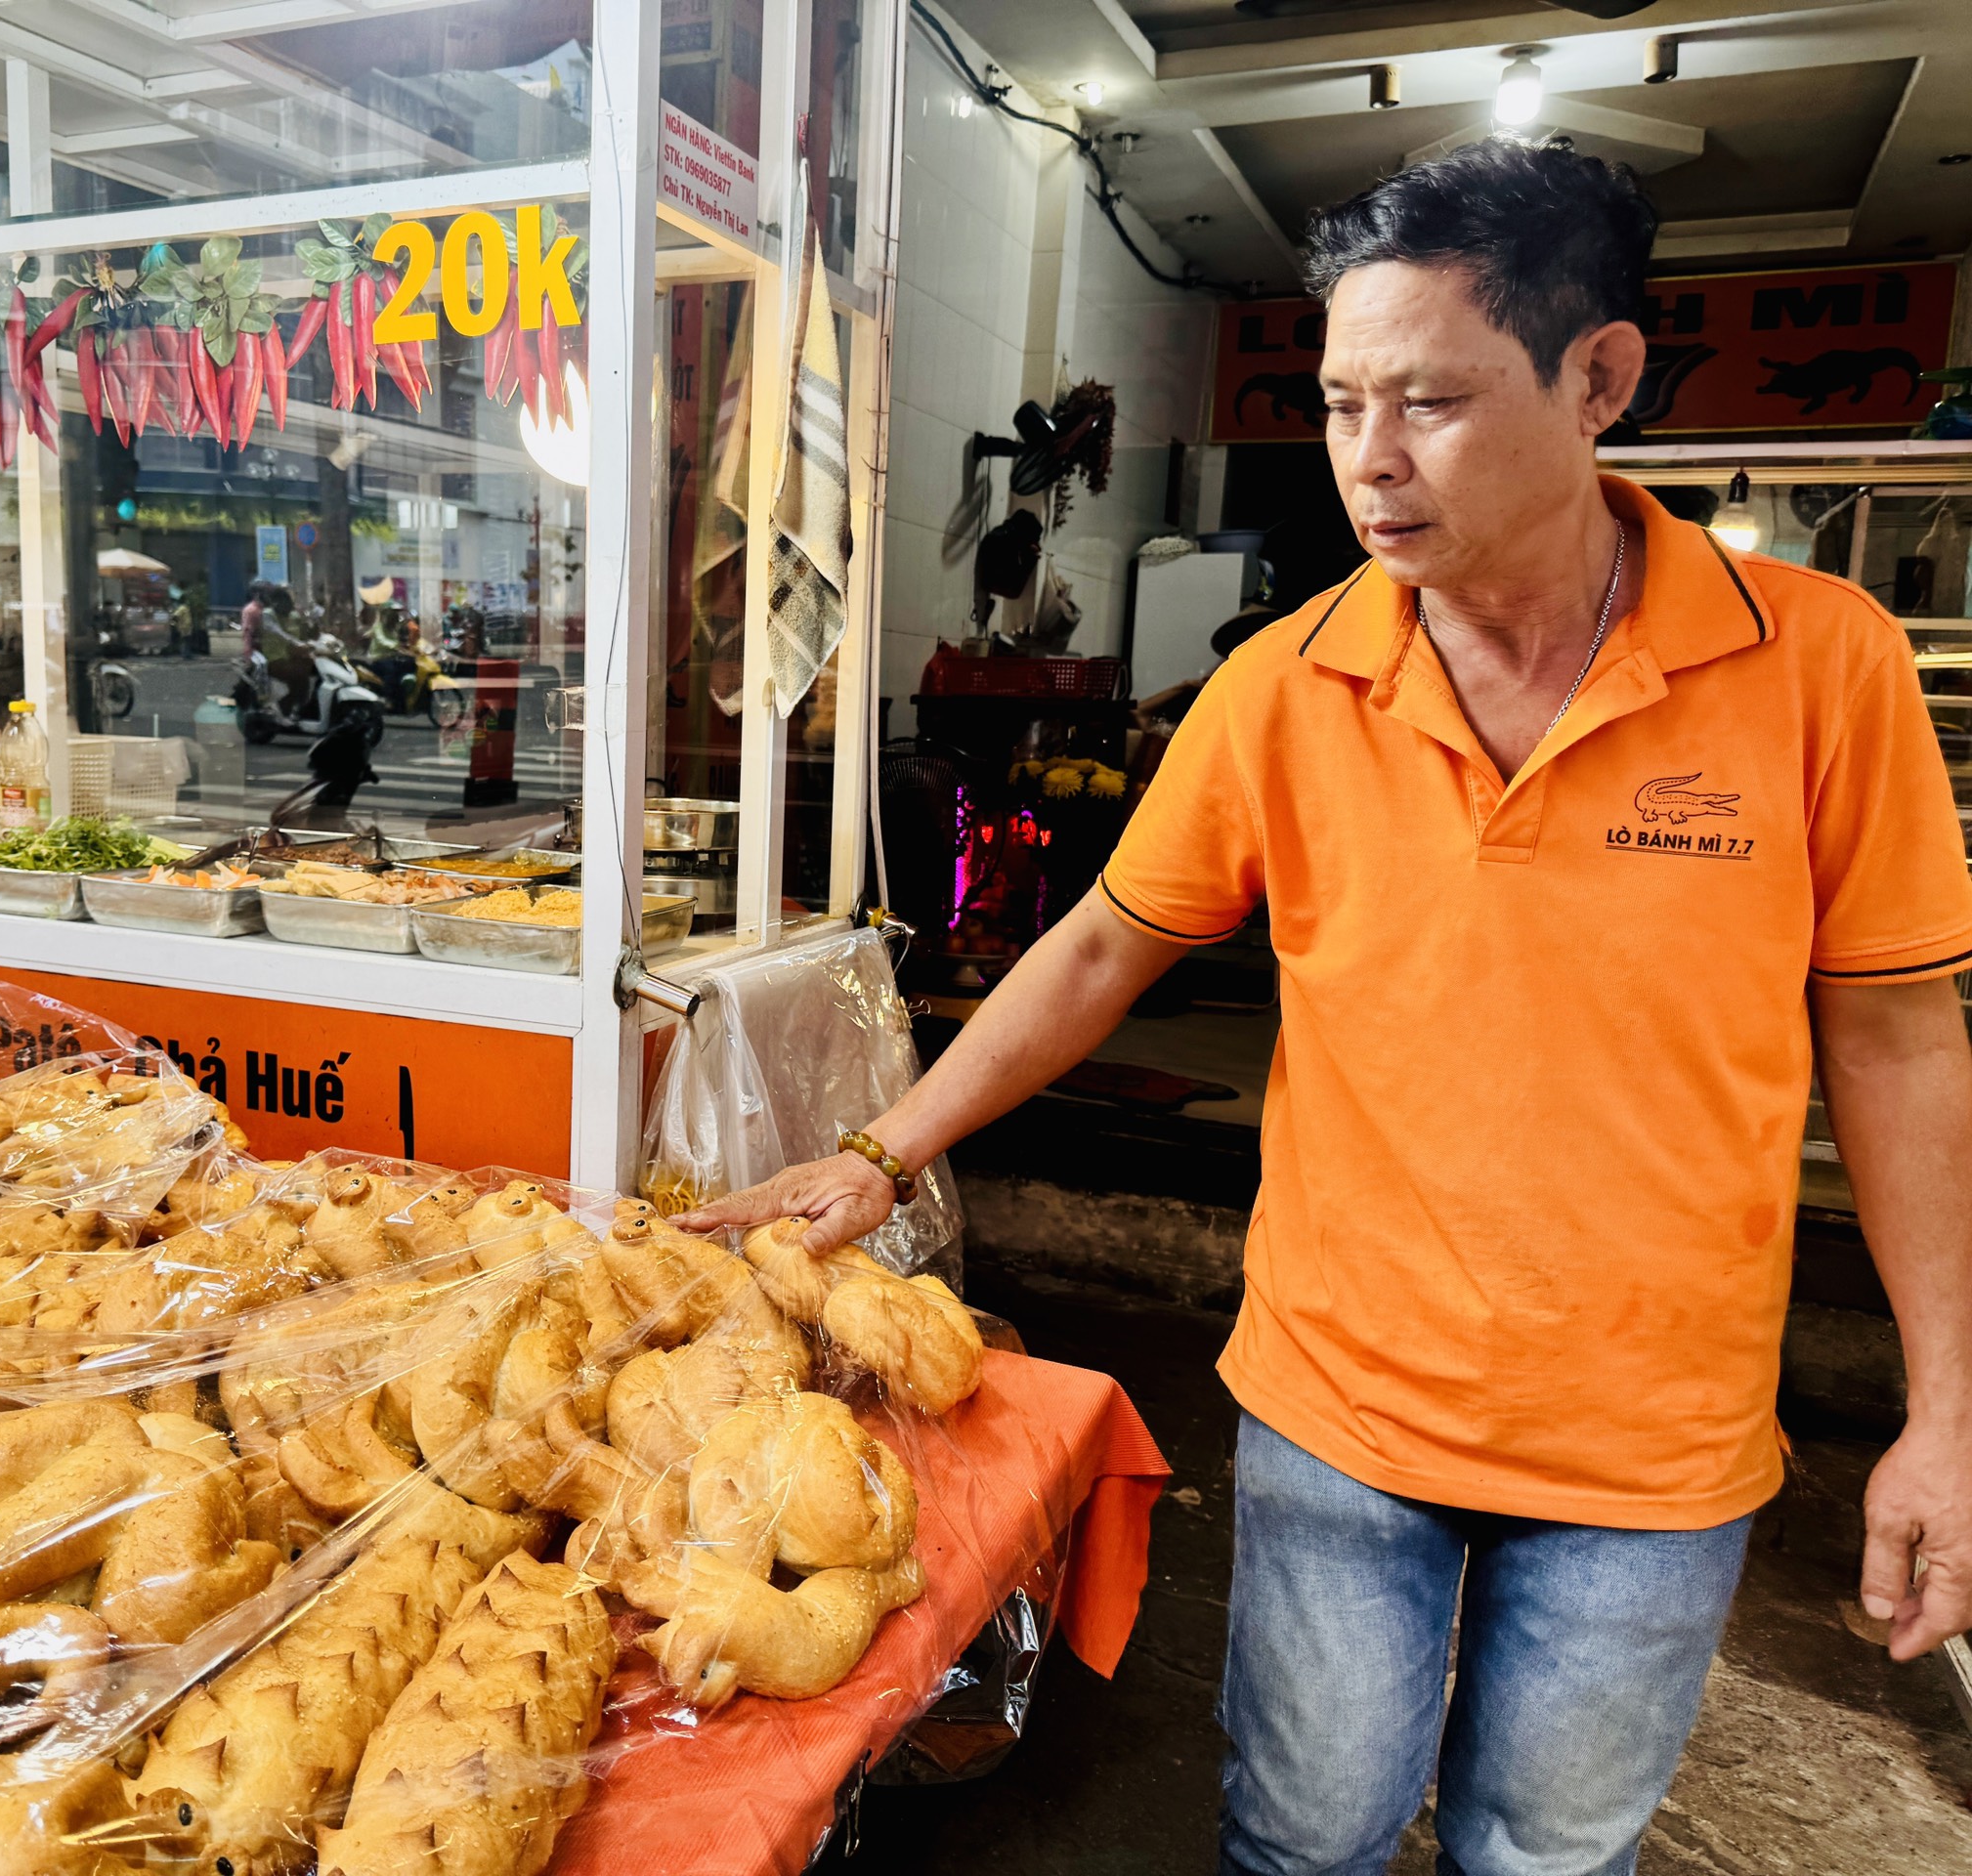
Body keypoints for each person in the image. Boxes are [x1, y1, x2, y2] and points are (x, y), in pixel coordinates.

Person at [684, 138, 1972, 1875]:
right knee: (1303, 1839)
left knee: (1546, 1855)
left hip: (1653, 1443)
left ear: (1597, 378)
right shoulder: (1290, 680)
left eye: (1430, 401)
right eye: (1343, 401)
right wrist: (877, 1150)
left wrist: (1945, 1416)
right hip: (1339, 1404)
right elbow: (1096, 950)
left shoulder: (1820, 667)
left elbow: (1895, 1041)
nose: (1369, 461)